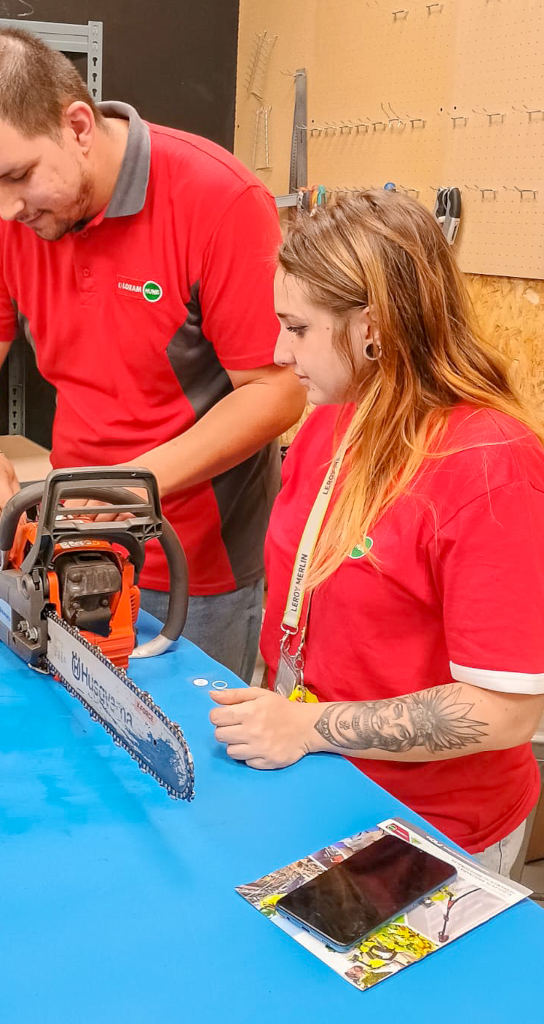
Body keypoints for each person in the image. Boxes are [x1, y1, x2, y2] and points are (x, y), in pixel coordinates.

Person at [0, 27, 305, 681]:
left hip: (196, 568)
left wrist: (134, 486)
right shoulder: (2, 214)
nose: (6, 206)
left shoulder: (218, 201)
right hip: (69, 541)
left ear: (78, 125)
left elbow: (277, 389)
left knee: (189, 766)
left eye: (17, 175)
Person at [210, 189, 544, 873]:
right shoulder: (337, 414)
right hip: (325, 780)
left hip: (432, 827)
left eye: (298, 328)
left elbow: (505, 712)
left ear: (373, 328)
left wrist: (309, 726)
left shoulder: (489, 466)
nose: (279, 350)